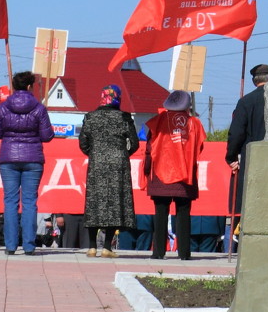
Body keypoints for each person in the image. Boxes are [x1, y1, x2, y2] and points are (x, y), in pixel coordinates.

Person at [0, 70, 54, 255]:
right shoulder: (39, 108)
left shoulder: (3, 107)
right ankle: (29, 246)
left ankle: (10, 246)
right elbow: (47, 136)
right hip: (33, 158)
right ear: (28, 87)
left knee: (10, 201)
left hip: (8, 158)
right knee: (30, 202)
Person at [144, 90, 206, 260]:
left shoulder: (158, 121)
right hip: (185, 174)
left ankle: (158, 253)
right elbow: (199, 148)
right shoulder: (195, 123)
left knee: (160, 213)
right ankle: (184, 253)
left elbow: (149, 149)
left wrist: (146, 170)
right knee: (184, 213)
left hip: (160, 173)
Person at [79, 84, 139, 257]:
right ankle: (107, 247)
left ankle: (91, 247)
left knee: (94, 202)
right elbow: (134, 143)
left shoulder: (90, 117)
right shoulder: (124, 117)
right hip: (118, 164)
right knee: (114, 204)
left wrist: (95, 153)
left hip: (97, 162)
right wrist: (123, 153)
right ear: (118, 98)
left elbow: (83, 143)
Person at [226, 64, 268, 221]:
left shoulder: (246, 102)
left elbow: (236, 133)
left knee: (248, 207)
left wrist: (231, 157)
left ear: (254, 82)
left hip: (252, 160)